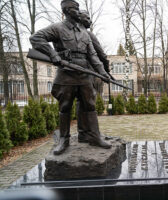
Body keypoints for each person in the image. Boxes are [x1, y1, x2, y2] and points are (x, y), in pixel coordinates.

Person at [29, 0, 111, 155]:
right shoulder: (57, 28)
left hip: (84, 73)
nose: (78, 11)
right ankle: (63, 140)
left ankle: (94, 136)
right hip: (66, 72)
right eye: (75, 8)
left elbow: (92, 55)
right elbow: (35, 38)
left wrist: (103, 72)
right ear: (66, 10)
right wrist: (53, 54)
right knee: (65, 107)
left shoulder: (84, 32)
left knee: (90, 105)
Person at [76, 10, 115, 143]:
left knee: (80, 102)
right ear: (80, 19)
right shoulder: (88, 35)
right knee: (89, 103)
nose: (90, 21)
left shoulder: (75, 34)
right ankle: (93, 134)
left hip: (75, 73)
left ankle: (83, 132)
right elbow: (101, 54)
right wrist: (106, 71)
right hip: (87, 73)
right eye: (87, 18)